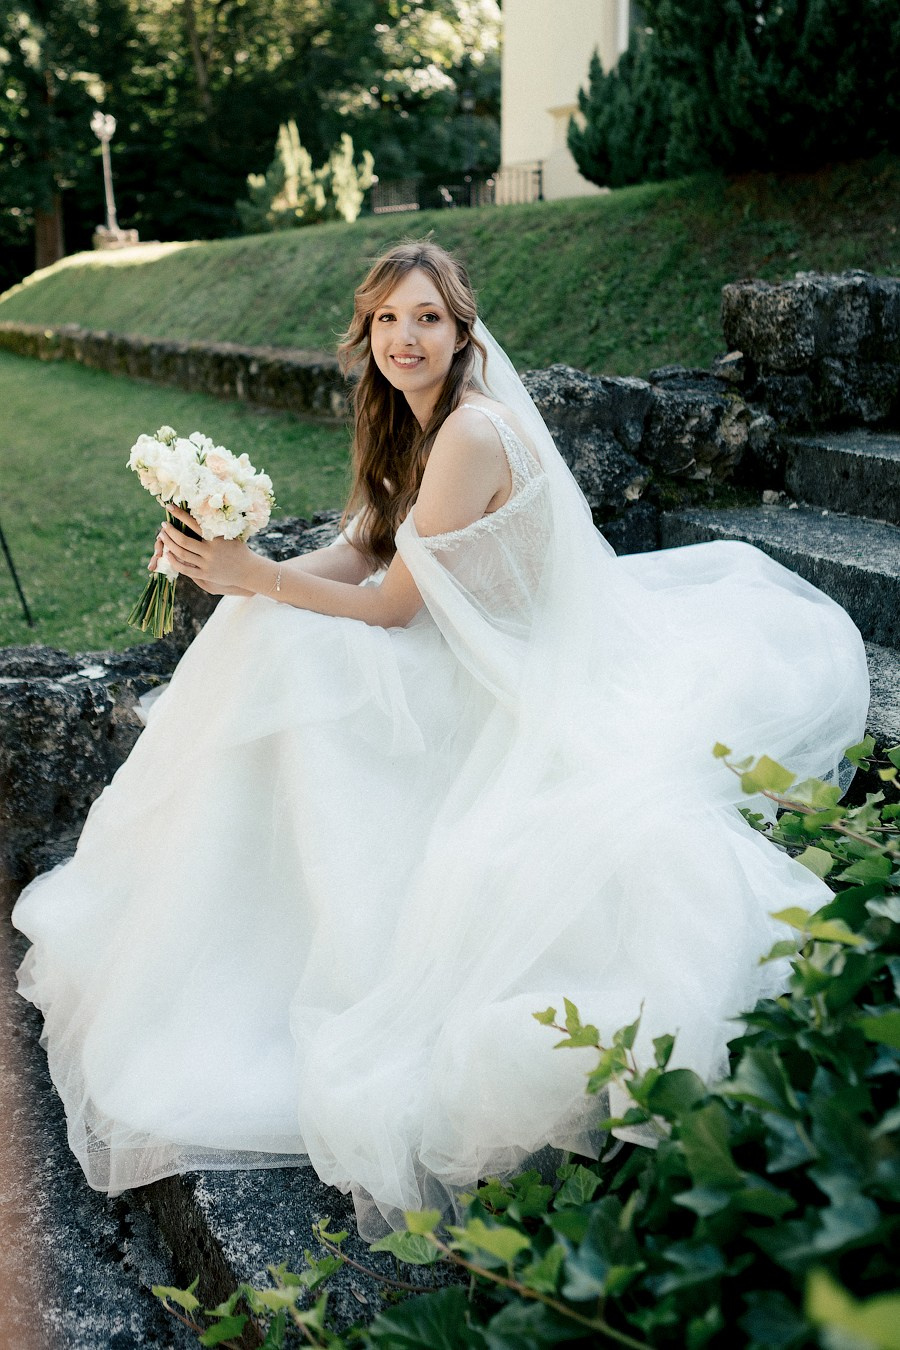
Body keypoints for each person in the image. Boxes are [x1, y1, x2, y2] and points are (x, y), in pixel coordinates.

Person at [11, 239, 869, 1242]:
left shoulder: (469, 433)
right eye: (387, 319)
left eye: (426, 318)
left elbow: (392, 606)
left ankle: (282, 940)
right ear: (367, 332)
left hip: (498, 677)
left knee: (292, 649)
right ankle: (217, 920)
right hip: (447, 646)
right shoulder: (403, 422)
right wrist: (233, 571)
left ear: (463, 332)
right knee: (267, 629)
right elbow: (361, 552)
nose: (404, 338)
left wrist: (259, 581)